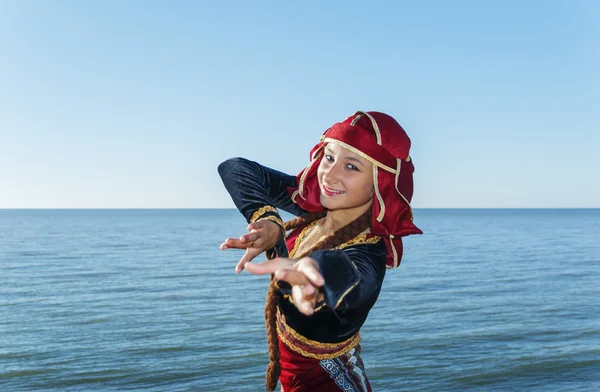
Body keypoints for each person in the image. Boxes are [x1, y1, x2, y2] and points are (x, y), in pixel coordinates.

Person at [218, 111, 422, 392]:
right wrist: (266, 217)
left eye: (351, 167)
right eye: (329, 157)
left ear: (380, 182)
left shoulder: (369, 254)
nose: (330, 174)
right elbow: (234, 167)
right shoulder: (314, 210)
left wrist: (314, 275)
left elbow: (352, 279)